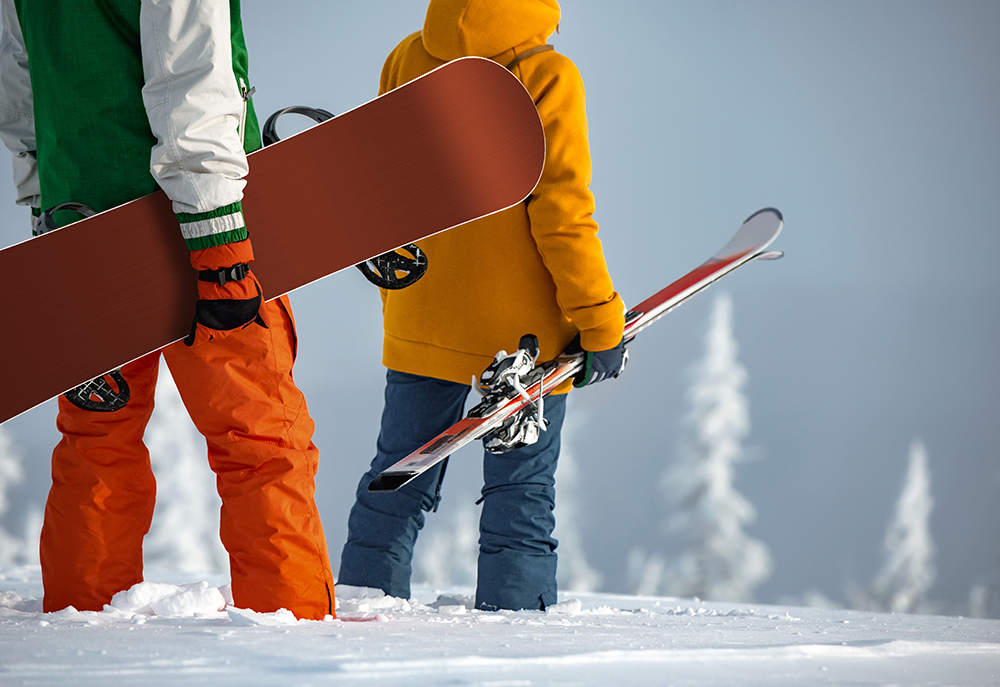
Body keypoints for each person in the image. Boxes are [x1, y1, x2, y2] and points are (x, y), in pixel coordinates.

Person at [0, 0, 335, 619]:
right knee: (259, 435)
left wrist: (45, 203)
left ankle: (80, 623)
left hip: (80, 222)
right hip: (194, 225)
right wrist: (219, 240)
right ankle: (292, 630)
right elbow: (190, 73)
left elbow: (20, 86)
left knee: (95, 437)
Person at [338, 0, 626, 612]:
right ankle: (515, 635)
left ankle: (361, 609)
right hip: (522, 342)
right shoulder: (546, 75)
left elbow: (380, 185)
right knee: (520, 494)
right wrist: (599, 320)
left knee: (396, 478)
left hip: (423, 314)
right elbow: (561, 212)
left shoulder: (408, 57)